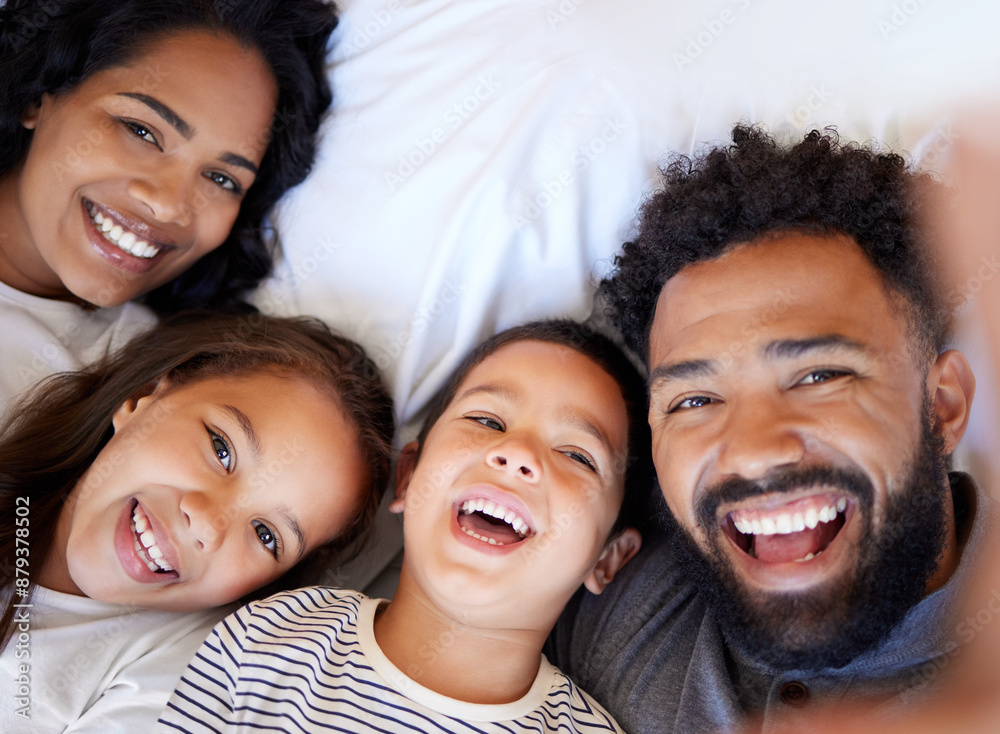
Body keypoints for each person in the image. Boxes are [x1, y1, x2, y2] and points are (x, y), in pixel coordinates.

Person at [545, 124, 990, 733]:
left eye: (818, 376)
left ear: (942, 406)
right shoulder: (608, 591)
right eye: (695, 400)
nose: (753, 453)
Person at [159, 320, 652, 733]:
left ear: (607, 557)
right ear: (409, 476)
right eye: (486, 421)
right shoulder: (270, 636)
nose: (517, 454)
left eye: (576, 455)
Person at [0, 311, 395, 732]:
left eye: (266, 535)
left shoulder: (187, 683)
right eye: (222, 450)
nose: (208, 524)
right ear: (143, 397)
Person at [0, 0, 337, 411]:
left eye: (222, 179)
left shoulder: (156, 389)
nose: (168, 206)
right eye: (141, 131)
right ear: (38, 97)